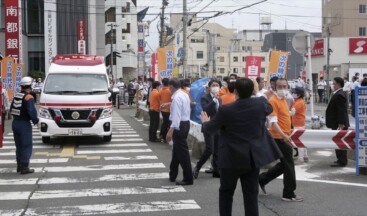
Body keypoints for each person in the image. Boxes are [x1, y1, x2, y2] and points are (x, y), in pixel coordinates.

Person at [201, 78, 282, 216]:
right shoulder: (260, 103)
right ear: (252, 91)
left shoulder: (226, 110)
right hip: (251, 158)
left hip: (230, 158)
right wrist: (256, 93)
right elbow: (269, 108)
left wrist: (205, 122)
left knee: (226, 193)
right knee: (251, 195)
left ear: (235, 92)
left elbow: (210, 129)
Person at [259, 78, 303, 202]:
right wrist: (285, 136)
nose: (283, 89)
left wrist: (290, 114)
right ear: (274, 87)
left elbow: (282, 116)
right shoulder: (273, 101)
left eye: (285, 86)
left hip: (283, 136)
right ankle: (288, 193)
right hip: (279, 137)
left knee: (285, 165)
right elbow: (273, 123)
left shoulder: (283, 100)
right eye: (280, 87)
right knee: (289, 164)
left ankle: (262, 179)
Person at [166, 78, 193, 186]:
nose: (169, 89)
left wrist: (170, 131)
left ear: (171, 87)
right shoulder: (183, 94)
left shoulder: (177, 98)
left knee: (183, 154)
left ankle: (188, 178)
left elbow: (176, 117)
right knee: (177, 152)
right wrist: (169, 105)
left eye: (169, 87)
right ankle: (173, 174)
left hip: (179, 126)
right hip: (185, 123)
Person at [10, 77, 39, 174]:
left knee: (19, 146)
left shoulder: (16, 95)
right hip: (24, 124)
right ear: (30, 86)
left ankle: (19, 166)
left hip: (15, 123)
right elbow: (31, 111)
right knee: (26, 145)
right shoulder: (29, 97)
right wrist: (36, 121)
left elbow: (11, 109)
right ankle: (25, 167)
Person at [193, 80, 222, 179]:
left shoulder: (220, 98)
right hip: (208, 126)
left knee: (217, 150)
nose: (215, 87)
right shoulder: (205, 97)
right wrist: (214, 100)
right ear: (209, 87)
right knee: (210, 149)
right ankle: (198, 166)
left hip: (218, 127)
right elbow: (206, 109)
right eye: (213, 85)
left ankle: (216, 170)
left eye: (217, 85)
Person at [326, 77, 350, 167]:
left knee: (340, 141)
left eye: (334, 83)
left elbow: (341, 110)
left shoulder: (340, 94)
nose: (333, 85)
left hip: (339, 123)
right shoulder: (338, 93)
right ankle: (340, 159)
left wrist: (341, 123)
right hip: (336, 122)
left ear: (339, 84)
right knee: (337, 141)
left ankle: (342, 160)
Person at [291, 87, 308, 164]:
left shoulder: (298, 102)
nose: (293, 94)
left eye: (294, 93)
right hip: (300, 123)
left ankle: (300, 159)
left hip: (298, 124)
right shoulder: (299, 101)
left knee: (298, 142)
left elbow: (292, 113)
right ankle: (305, 156)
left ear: (299, 94)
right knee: (302, 140)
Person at [159, 78, 172, 143]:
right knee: (167, 124)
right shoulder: (170, 91)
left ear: (162, 83)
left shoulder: (160, 90)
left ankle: (161, 135)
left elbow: (160, 99)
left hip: (162, 109)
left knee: (164, 123)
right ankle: (164, 137)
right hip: (169, 110)